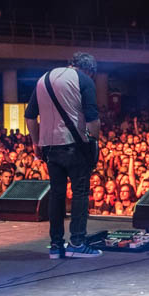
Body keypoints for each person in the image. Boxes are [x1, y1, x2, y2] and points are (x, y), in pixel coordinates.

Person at [26, 52, 102, 259]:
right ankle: (77, 242)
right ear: (89, 70)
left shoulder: (43, 78)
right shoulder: (83, 79)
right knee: (79, 192)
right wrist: (93, 142)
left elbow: (30, 115)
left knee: (57, 195)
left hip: (49, 147)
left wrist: (35, 142)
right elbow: (92, 119)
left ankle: (55, 245)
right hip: (73, 145)